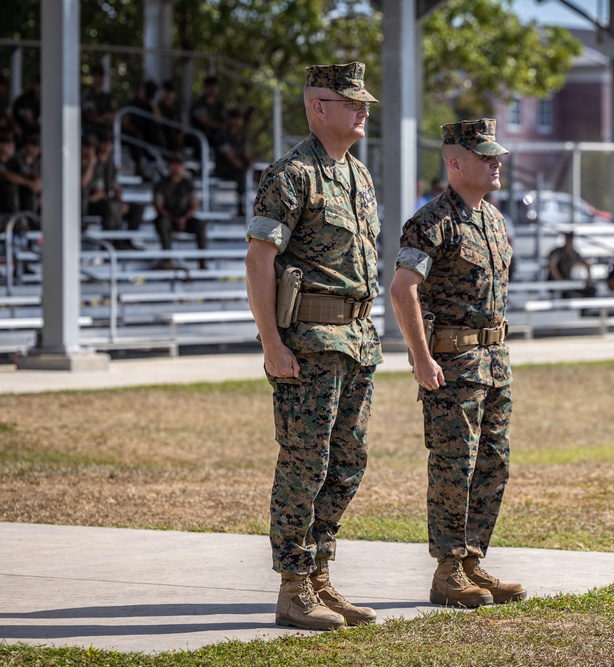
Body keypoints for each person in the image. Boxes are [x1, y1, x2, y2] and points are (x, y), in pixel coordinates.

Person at [244, 62, 382, 632]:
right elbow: (259, 260)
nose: (363, 110)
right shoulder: (291, 174)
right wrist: (271, 343)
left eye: (365, 102)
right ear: (317, 107)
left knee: (347, 463)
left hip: (355, 341)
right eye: (351, 102)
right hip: (308, 343)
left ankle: (322, 577)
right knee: (306, 463)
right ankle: (293, 586)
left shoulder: (359, 176)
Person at [389, 118, 526, 609]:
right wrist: (421, 359)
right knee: (454, 466)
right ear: (455, 162)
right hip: (453, 366)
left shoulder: (493, 219)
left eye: (497, 155)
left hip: (494, 363)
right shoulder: (431, 222)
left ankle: (471, 563)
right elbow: (402, 288)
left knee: (493, 464)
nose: (496, 163)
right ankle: (447, 571)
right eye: (486, 156)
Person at [152, 153, 208, 268]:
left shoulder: (189, 185)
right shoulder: (161, 185)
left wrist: (184, 218)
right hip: (168, 217)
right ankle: (167, 259)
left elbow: (194, 205)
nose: (176, 168)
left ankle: (203, 261)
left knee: (200, 225)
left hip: (185, 217)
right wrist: (173, 218)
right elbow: (158, 207)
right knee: (162, 223)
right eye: (173, 165)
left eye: (179, 165)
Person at [214, 108, 253, 208]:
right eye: (235, 118)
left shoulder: (241, 136)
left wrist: (251, 167)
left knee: (262, 173)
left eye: (239, 119)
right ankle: (241, 204)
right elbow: (229, 156)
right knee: (242, 174)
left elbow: (246, 154)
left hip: (238, 167)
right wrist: (245, 169)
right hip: (224, 168)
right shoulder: (222, 135)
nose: (238, 121)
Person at [547, 231, 595, 297]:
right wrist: (560, 280)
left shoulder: (574, 253)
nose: (570, 241)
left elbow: (586, 264)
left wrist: (589, 278)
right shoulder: (557, 252)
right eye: (568, 239)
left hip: (568, 281)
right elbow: (552, 266)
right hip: (555, 281)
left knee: (590, 290)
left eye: (571, 239)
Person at [189, 75, 226, 152]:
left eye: (215, 86)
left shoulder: (219, 105)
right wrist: (221, 125)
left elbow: (225, 119)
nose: (213, 89)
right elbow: (204, 121)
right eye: (211, 86)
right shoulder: (199, 104)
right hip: (202, 136)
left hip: (217, 137)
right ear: (205, 87)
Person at [81, 65, 118, 138]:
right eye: (98, 76)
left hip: (107, 131)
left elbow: (115, 113)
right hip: (91, 131)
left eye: (102, 76)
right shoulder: (87, 96)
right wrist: (105, 117)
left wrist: (104, 117)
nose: (101, 79)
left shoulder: (108, 97)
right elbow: (92, 117)